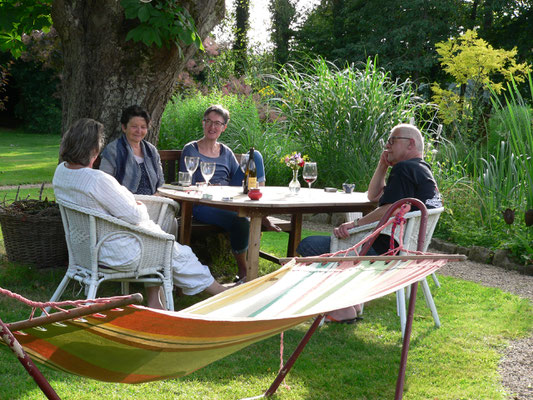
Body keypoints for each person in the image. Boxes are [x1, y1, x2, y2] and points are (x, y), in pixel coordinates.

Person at [53, 118, 227, 309]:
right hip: (115, 252)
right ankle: (223, 295)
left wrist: (130, 205)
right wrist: (138, 206)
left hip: (86, 249)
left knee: (159, 240)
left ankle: (156, 302)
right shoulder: (97, 180)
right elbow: (136, 215)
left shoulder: (61, 173)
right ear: (93, 151)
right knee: (176, 251)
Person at [297, 123, 442, 323]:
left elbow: (388, 208)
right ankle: (350, 302)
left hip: (387, 250)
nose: (387, 146)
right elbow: (374, 196)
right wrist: (382, 165)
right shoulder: (421, 170)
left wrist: (355, 224)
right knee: (321, 245)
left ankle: (344, 308)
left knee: (308, 245)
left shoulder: (404, 168)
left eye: (392, 140)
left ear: (410, 144)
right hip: (407, 250)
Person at [180, 105, 280, 282]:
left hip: (226, 199)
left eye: (217, 123)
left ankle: (260, 207)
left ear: (224, 127)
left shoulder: (225, 152)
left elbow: (239, 177)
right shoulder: (191, 149)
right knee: (240, 220)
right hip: (202, 203)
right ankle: (243, 271)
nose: (212, 127)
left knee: (254, 155)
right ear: (203, 123)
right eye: (209, 122)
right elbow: (185, 181)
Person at [99, 105, 164, 195]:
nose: (139, 131)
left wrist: (157, 197)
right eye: (134, 126)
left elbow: (161, 182)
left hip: (153, 201)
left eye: (143, 127)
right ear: (124, 127)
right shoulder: (113, 150)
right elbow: (105, 182)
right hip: (124, 203)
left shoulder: (152, 151)